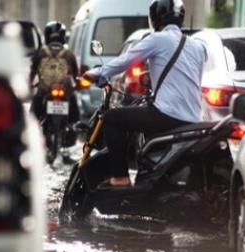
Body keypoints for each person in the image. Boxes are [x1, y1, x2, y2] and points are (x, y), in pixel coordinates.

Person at [83, 0, 206, 189]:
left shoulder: (156, 39)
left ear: (155, 19)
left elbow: (126, 60)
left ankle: (120, 177)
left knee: (112, 119)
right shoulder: (198, 46)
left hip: (167, 115)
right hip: (193, 119)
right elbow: (186, 77)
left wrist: (98, 73)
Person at [29, 21, 80, 128]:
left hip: (44, 91)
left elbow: (33, 71)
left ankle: (32, 128)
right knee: (74, 104)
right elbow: (76, 75)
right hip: (65, 91)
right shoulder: (69, 54)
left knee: (33, 112)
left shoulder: (40, 53)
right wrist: (77, 85)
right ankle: (76, 126)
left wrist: (30, 83)